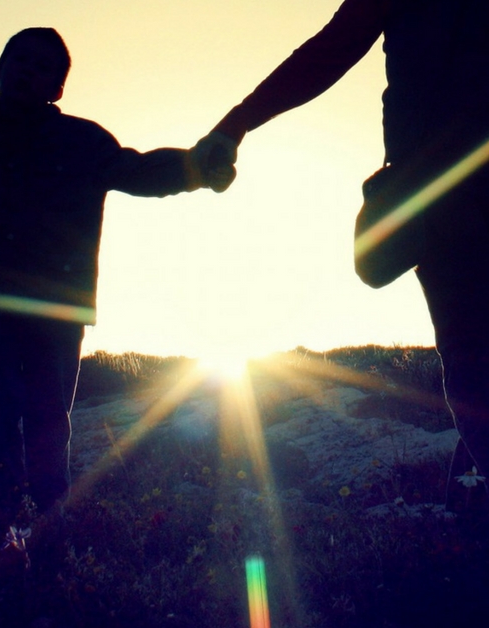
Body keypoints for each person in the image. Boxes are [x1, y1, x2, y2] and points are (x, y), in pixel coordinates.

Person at [0, 27, 225, 516]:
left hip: (58, 305)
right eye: (18, 59)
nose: (27, 70)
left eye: (43, 67)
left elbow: (140, 171)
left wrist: (198, 167)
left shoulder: (82, 143)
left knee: (47, 409)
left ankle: (47, 511)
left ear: (58, 88)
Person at [194, 0, 489, 510]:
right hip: (437, 199)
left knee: (471, 361)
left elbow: (331, 50)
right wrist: (237, 122)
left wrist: (236, 124)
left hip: (436, 195)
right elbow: (330, 50)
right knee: (471, 360)